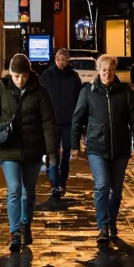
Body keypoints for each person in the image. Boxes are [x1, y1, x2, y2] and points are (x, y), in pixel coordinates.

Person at [0, 53, 58, 253]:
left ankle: (26, 224)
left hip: (33, 151)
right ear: (11, 74)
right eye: (16, 76)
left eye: (23, 76)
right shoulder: (2, 91)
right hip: (8, 149)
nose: (20, 80)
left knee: (28, 193)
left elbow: (49, 123)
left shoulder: (40, 92)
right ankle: (15, 232)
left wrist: (52, 153)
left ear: (28, 73)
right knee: (14, 189)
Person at [70, 53, 134, 247]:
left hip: (120, 148)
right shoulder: (89, 91)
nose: (107, 73)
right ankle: (102, 226)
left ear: (114, 70)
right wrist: (74, 145)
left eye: (110, 69)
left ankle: (111, 222)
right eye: (104, 70)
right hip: (96, 147)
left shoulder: (125, 92)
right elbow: (77, 118)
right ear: (98, 71)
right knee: (102, 185)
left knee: (116, 190)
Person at [39, 47, 81, 197]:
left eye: (63, 60)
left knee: (66, 153)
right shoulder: (46, 76)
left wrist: (79, 122)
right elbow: (40, 98)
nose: (60, 62)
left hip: (69, 122)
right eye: (58, 59)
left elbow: (78, 100)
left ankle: (62, 181)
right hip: (52, 122)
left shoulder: (74, 77)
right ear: (55, 59)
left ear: (67, 60)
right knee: (52, 153)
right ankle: (54, 183)